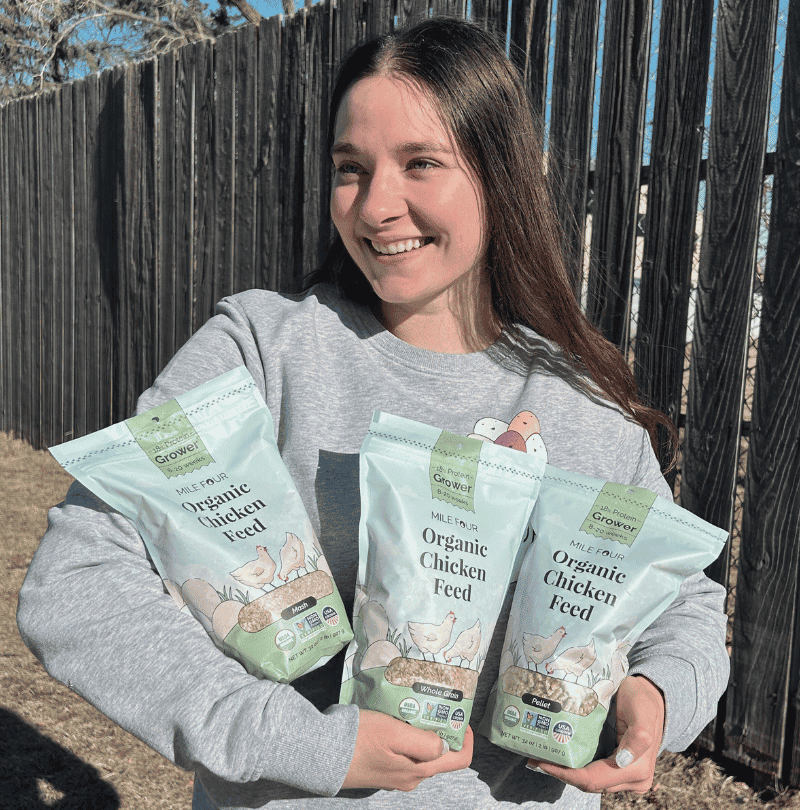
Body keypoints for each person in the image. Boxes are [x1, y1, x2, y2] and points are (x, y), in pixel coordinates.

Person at [17, 16, 729, 810]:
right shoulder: (265, 353)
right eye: (350, 168)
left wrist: (659, 695)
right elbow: (78, 584)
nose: (374, 206)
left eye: (421, 163)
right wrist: (292, 738)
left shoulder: (581, 403)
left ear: (506, 175)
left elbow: (682, 600)